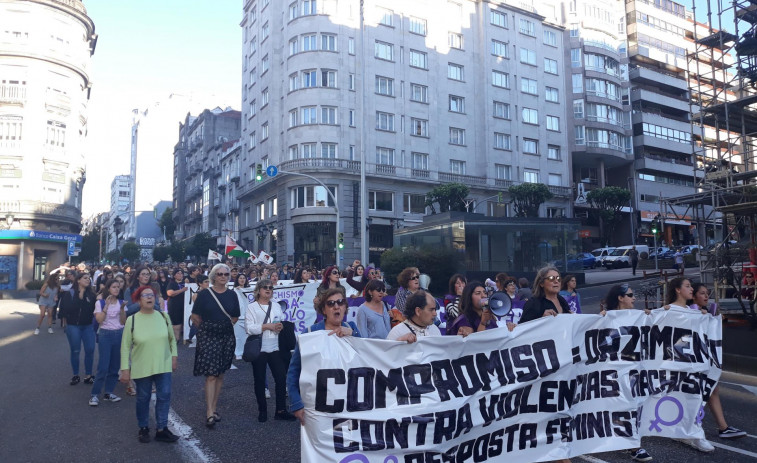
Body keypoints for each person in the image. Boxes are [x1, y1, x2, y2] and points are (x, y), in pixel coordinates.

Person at [288, 288, 361, 425]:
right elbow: (294, 370)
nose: (336, 306)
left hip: (348, 401)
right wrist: (296, 402)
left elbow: (366, 357)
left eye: (340, 302)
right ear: (323, 310)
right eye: (330, 303)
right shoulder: (309, 333)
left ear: (345, 307)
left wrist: (352, 334)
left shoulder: (352, 328)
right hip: (318, 404)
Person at [119, 286, 179, 444]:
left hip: (163, 364)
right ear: (138, 300)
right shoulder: (132, 320)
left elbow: (172, 339)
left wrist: (174, 357)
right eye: (145, 296)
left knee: (164, 396)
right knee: (143, 398)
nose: (149, 298)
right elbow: (125, 347)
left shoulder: (164, 316)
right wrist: (125, 369)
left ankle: (162, 429)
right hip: (142, 366)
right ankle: (143, 427)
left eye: (151, 295)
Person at [689, 282, 746, 440]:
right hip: (691, 361)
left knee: (712, 389)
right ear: (693, 296)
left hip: (705, 359)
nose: (706, 296)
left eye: (707, 293)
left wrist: (715, 321)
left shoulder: (706, 313)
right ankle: (689, 426)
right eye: (702, 293)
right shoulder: (687, 313)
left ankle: (723, 427)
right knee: (698, 392)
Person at [191, 264, 240, 428]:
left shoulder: (232, 295)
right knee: (211, 374)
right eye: (219, 274)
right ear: (213, 276)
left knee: (220, 373)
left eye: (226, 274)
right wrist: (207, 329)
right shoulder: (204, 294)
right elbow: (195, 316)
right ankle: (209, 412)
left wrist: (223, 326)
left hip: (226, 336)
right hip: (208, 336)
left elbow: (235, 316)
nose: (223, 276)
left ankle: (214, 406)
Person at [245, 278, 295, 422]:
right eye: (265, 287)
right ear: (258, 290)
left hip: (276, 348)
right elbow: (249, 328)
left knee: (281, 379)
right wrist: (267, 326)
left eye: (271, 288)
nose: (268, 290)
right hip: (259, 348)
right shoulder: (252, 307)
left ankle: (281, 410)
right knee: (260, 380)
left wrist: (279, 327)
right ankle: (262, 410)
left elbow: (279, 322)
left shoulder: (276, 307)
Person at [89, 279, 127, 406]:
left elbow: (123, 322)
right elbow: (99, 319)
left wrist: (121, 309)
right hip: (105, 334)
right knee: (103, 366)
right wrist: (106, 306)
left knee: (114, 366)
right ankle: (94, 394)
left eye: (118, 287)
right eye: (114, 287)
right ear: (108, 289)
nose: (116, 289)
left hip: (119, 334)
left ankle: (109, 392)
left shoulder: (122, 302)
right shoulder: (100, 302)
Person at [59, 272, 97, 386]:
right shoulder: (70, 293)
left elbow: (95, 309)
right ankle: (75, 375)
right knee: (75, 351)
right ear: (78, 280)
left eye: (89, 278)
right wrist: (79, 298)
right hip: (73, 326)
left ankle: (88, 375)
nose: (88, 280)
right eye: (85, 278)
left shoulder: (91, 294)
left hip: (88, 326)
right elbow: (65, 309)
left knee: (90, 349)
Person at [166, 269, 189, 343]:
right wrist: (182, 290)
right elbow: (170, 293)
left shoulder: (185, 283)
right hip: (174, 306)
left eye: (181, 273)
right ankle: (176, 338)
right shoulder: (171, 283)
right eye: (178, 273)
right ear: (174, 275)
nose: (180, 275)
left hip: (184, 305)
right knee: (176, 323)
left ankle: (184, 338)